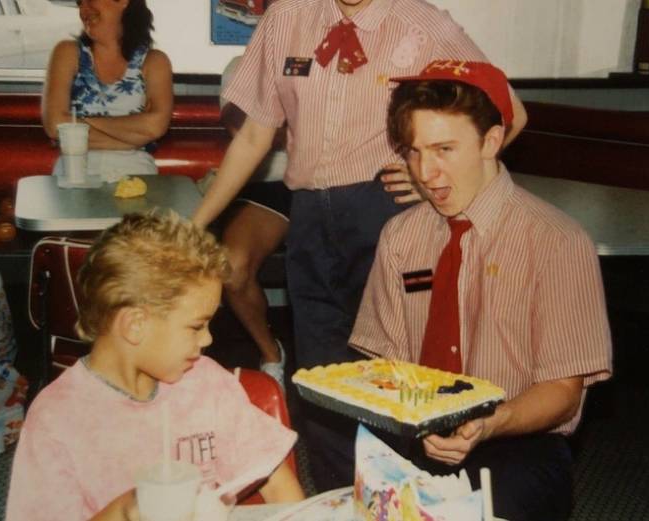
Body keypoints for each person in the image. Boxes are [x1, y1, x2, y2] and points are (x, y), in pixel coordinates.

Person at [192, 0, 527, 491]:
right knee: (322, 380)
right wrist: (195, 226)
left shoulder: (421, 22)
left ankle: (417, 502)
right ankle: (340, 500)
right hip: (308, 216)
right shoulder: (287, 17)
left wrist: (433, 177)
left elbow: (508, 113)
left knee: (402, 380)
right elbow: (254, 136)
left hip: (391, 214)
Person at [349, 60, 613, 521]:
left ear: (491, 141)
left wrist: (491, 423)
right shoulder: (401, 236)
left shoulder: (556, 241)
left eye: (444, 149)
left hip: (516, 441)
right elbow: (381, 363)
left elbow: (563, 390)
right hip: (416, 433)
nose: (426, 172)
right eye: (413, 151)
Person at [5, 211, 304, 521]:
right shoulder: (56, 421)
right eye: (195, 326)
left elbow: (279, 485)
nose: (207, 339)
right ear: (135, 325)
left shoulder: (205, 382)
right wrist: (126, 511)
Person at [210, 57, 292, 389]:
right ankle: (272, 356)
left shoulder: (336, 64)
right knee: (232, 265)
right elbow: (245, 130)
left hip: (336, 186)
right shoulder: (242, 66)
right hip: (268, 187)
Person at [41, 0, 173, 183]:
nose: (83, 9)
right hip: (72, 173)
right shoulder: (67, 53)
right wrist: (135, 138)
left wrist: (81, 122)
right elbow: (55, 126)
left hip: (136, 174)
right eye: (80, 3)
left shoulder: (155, 61)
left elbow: (155, 127)